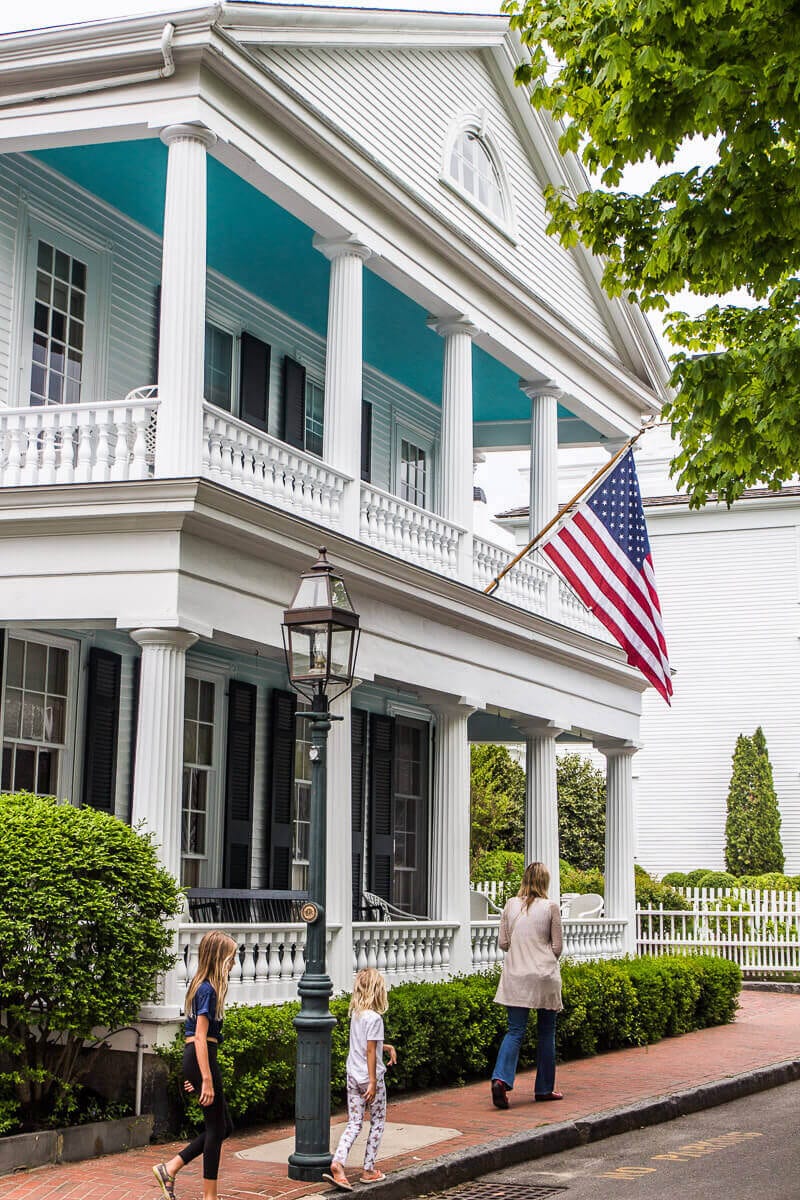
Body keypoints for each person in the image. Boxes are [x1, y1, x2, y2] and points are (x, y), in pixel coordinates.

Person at [152, 930, 238, 1200]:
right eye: (231, 958)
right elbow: (199, 1036)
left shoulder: (201, 986)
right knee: (216, 1128)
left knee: (224, 1126)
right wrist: (206, 1077)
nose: (233, 963)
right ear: (219, 958)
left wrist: (197, 1072)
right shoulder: (207, 990)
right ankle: (209, 1196)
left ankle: (170, 1168)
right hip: (202, 1056)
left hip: (200, 1058)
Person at [490, 860, 563, 1109]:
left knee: (515, 1031)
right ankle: (544, 1088)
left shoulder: (511, 905)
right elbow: (557, 947)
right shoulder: (551, 906)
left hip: (516, 976)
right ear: (545, 882)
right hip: (544, 977)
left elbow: (503, 943)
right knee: (546, 1033)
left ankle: (500, 1079)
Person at [324, 967, 397, 1190]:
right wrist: (373, 1082)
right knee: (377, 1122)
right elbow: (369, 1052)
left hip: (352, 1076)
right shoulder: (375, 1018)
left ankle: (337, 1162)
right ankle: (368, 1169)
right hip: (369, 1077)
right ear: (378, 991)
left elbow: (368, 1046)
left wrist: (385, 1047)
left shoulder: (357, 1015)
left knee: (354, 1123)